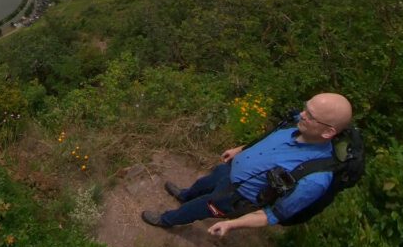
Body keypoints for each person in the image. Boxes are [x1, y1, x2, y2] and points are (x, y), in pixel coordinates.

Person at [140, 92, 353, 236]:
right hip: (230, 169)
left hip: (235, 196)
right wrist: (239, 150)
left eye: (310, 115)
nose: (302, 114)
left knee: (199, 207)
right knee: (202, 184)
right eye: (305, 108)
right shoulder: (298, 125)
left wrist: (231, 224)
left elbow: (273, 215)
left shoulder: (315, 178)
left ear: (328, 132)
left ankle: (167, 219)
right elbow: (268, 141)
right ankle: (183, 194)